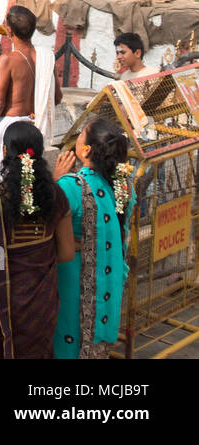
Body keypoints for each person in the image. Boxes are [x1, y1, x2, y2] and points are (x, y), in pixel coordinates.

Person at [0, 122, 74, 358]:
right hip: (39, 310)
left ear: (6, 152)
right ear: (39, 154)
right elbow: (66, 253)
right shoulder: (56, 195)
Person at [53, 117, 137, 358]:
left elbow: (40, 224)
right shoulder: (124, 184)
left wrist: (56, 180)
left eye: (80, 135)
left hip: (73, 287)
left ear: (85, 150)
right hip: (107, 289)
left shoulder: (72, 186)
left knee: (68, 346)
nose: (76, 139)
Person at [0, 5, 62, 182]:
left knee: (3, 178)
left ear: (9, 30)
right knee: (29, 178)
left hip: (10, 129)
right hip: (34, 128)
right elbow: (56, 98)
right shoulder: (47, 57)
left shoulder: (8, 60)